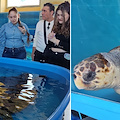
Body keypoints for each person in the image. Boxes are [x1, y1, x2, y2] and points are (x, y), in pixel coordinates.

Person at [45, 1, 70, 69]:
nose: (59, 17)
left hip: (64, 64)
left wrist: (56, 41)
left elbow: (71, 48)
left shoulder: (72, 29)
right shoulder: (56, 27)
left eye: (62, 15)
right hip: (52, 61)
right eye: (58, 15)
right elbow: (49, 46)